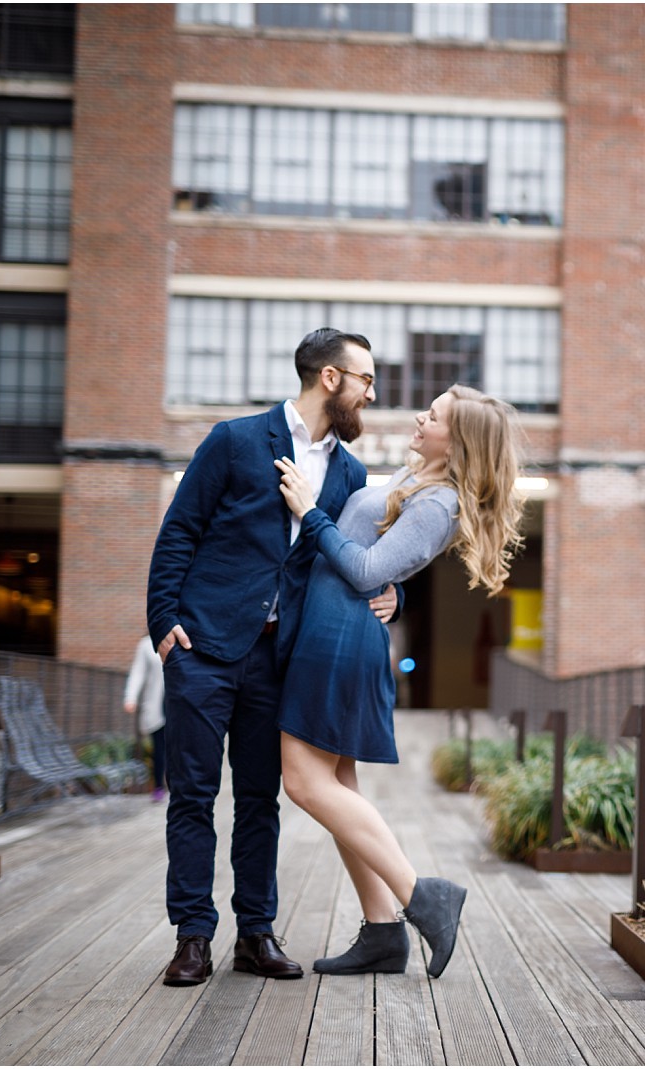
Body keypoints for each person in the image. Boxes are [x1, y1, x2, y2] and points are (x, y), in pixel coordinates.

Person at [145, 328, 398, 988]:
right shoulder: (235, 440)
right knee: (193, 795)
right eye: (366, 378)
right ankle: (192, 937)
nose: (373, 391)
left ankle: (255, 933)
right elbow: (180, 531)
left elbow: (345, 558)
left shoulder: (348, 472)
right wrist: (164, 625)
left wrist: (389, 587)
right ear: (331, 379)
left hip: (279, 658)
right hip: (203, 649)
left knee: (260, 798)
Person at [274, 384, 523, 979]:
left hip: (338, 642)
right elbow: (382, 565)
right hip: (334, 632)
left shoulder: (439, 503)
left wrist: (309, 512)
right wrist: (397, 590)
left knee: (305, 783)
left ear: (456, 439)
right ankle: (383, 931)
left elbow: (363, 569)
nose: (420, 416)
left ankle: (422, 896)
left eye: (433, 415)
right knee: (338, 787)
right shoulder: (420, 484)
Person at [122, 637, 166, 803]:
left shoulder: (188, 636)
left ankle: (180, 787)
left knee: (179, 748)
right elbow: (138, 672)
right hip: (157, 706)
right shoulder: (147, 644)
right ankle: (159, 788)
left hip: (181, 705)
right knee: (159, 750)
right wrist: (130, 697)